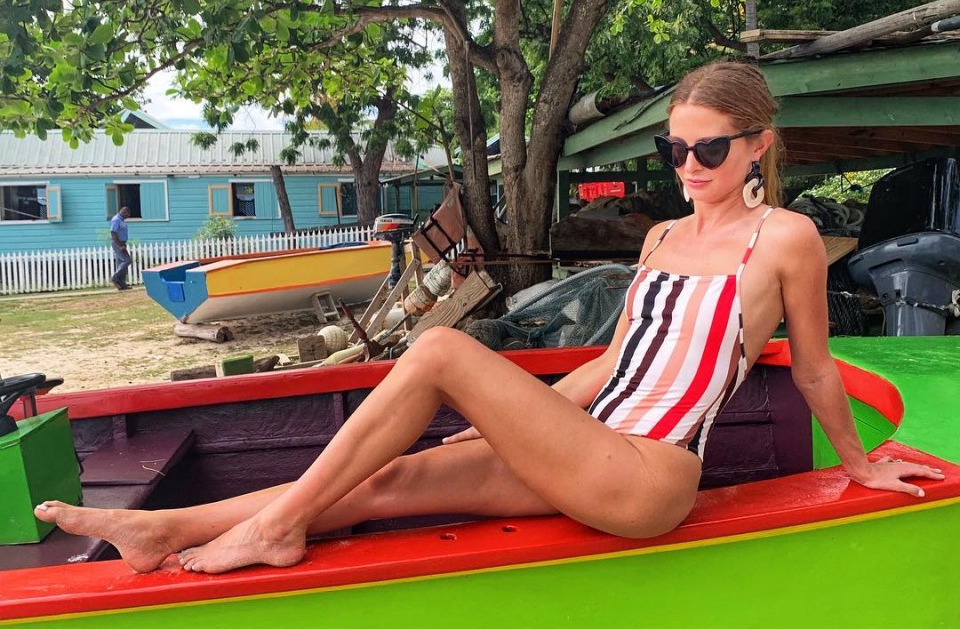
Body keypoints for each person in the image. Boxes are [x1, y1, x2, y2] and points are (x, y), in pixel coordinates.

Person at [36, 61, 943, 574]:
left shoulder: (785, 238)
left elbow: (815, 368)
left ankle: (275, 527)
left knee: (436, 345)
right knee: (391, 479)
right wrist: (511, 415)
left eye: (710, 147)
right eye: (677, 147)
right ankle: (169, 529)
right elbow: (613, 365)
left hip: (649, 478)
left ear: (758, 145)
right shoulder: (664, 234)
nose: (690, 163)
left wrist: (858, 464)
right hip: (590, 441)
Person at [109, 206, 132, 290]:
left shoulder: (121, 220)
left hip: (122, 243)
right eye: (127, 215)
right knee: (127, 260)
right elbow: (113, 233)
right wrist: (120, 245)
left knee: (121, 263)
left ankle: (122, 284)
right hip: (117, 243)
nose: (127, 216)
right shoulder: (116, 220)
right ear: (124, 212)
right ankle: (115, 278)